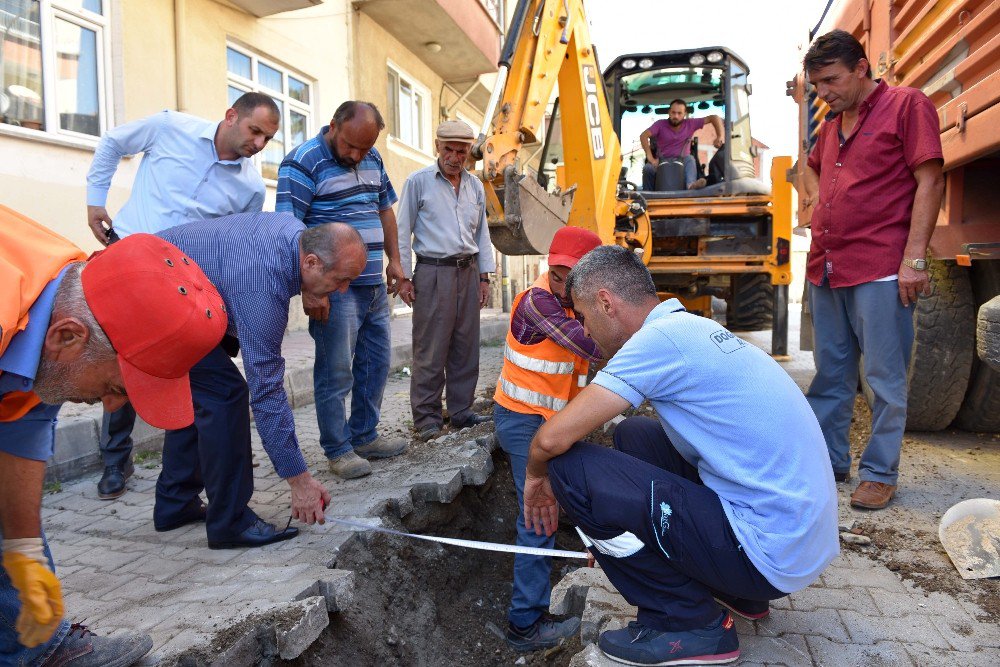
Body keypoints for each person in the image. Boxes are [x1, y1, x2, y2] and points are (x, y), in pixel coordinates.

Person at [521, 246, 839, 666]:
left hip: (769, 554)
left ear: (605, 302)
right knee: (636, 435)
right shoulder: (688, 328)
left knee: (571, 469)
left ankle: (686, 623)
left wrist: (534, 477)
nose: (585, 330)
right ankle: (735, 592)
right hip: (795, 543)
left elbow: (551, 440)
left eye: (582, 317)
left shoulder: (657, 342)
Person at [1, 205, 227, 665]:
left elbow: (21, 428)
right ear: (68, 337)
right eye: (113, 387)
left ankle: (37, 650)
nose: (111, 406)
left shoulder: (64, 296)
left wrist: (22, 548)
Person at [87, 92, 280, 501]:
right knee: (121, 359)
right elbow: (112, 143)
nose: (259, 145)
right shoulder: (170, 127)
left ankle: (175, 488)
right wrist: (94, 201)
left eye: (268, 138)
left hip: (176, 286)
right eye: (255, 131)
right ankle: (114, 460)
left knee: (178, 373)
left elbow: (231, 242)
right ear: (231, 116)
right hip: (125, 262)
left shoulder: (250, 187)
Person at [153, 213, 368, 549]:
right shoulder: (263, 284)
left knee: (201, 392)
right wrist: (299, 480)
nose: (342, 291)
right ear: (311, 262)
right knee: (225, 394)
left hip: (170, 287)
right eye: (341, 280)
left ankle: (175, 502)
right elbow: (266, 392)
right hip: (152, 295)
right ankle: (230, 522)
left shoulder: (294, 235)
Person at [800, 30, 944, 510]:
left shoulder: (907, 106)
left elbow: (929, 181)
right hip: (827, 265)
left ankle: (880, 473)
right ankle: (828, 464)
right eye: (817, 85)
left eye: (831, 81)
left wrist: (915, 258)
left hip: (881, 264)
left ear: (862, 67)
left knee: (883, 378)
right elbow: (814, 174)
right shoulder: (829, 125)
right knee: (831, 375)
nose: (824, 93)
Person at [277, 101, 407, 480]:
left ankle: (364, 435)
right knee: (335, 372)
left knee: (376, 364)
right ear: (333, 125)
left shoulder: (373, 156)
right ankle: (337, 449)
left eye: (365, 149)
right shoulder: (301, 163)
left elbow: (384, 211)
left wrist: (395, 260)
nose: (356, 156)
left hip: (372, 288)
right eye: (351, 147)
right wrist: (310, 290)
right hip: (335, 291)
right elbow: (289, 231)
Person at [492, 226, 601, 651]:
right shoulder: (539, 302)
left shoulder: (577, 302)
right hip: (523, 422)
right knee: (539, 514)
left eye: (568, 278)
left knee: (564, 499)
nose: (559, 284)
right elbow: (591, 346)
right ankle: (525, 623)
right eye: (556, 273)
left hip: (553, 423)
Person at [397, 120, 496, 442]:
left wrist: (484, 277)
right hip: (432, 272)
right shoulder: (418, 182)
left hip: (468, 272)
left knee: (466, 345)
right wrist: (403, 277)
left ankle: (461, 411)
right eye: (449, 149)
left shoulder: (475, 186)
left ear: (469, 153)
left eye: (462, 151)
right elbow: (402, 231)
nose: (455, 157)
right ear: (437, 147)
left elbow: (481, 233)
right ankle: (426, 417)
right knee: (431, 348)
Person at [640, 99, 724, 191]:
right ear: (669, 112)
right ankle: (648, 196)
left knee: (690, 159)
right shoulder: (660, 124)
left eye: (679, 113)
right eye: (673, 112)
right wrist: (651, 159)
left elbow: (714, 117)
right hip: (661, 161)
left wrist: (720, 136)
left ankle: (691, 186)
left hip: (683, 161)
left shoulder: (690, 123)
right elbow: (643, 136)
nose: (676, 116)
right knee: (648, 168)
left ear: (684, 114)